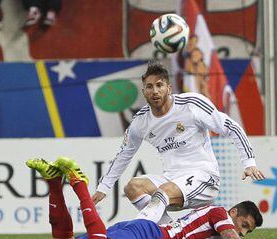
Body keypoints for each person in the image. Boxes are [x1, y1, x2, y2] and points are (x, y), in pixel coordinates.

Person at [92, 60, 265, 224]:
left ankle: (138, 230)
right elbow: (124, 154)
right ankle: (170, 233)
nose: (155, 91)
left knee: (164, 192)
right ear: (144, 91)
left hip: (204, 178)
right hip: (172, 180)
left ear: (169, 88)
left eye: (159, 85)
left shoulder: (191, 105)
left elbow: (231, 127)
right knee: (133, 187)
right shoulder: (141, 122)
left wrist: (249, 162)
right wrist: (104, 187)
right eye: (149, 87)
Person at [26, 157, 277, 239]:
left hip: (142, 230)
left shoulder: (212, 237)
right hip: (155, 238)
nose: (243, 232)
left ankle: (53, 182)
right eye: (244, 225)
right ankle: (79, 184)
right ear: (234, 213)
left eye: (247, 230)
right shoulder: (218, 213)